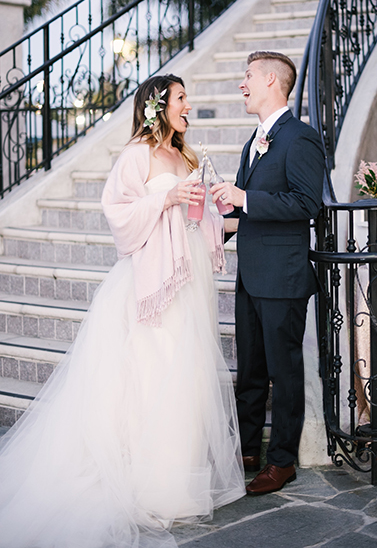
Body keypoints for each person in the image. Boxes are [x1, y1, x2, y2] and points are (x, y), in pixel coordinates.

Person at [0, 74, 245, 548]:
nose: (188, 103)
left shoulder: (186, 155)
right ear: (158, 106)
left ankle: (179, 480)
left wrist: (224, 210)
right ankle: (152, 485)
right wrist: (166, 196)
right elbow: (116, 209)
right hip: (153, 284)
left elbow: (197, 221)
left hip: (189, 281)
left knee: (187, 376)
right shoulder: (138, 154)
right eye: (180, 97)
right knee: (156, 373)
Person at [210, 51, 325, 495]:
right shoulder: (252, 141)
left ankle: (281, 461)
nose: (243, 85)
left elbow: (305, 205)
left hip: (283, 278)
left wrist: (244, 198)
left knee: (284, 370)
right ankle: (248, 449)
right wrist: (208, 229)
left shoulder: (300, 138)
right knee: (251, 371)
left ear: (273, 81)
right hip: (251, 276)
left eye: (249, 77)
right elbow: (247, 213)